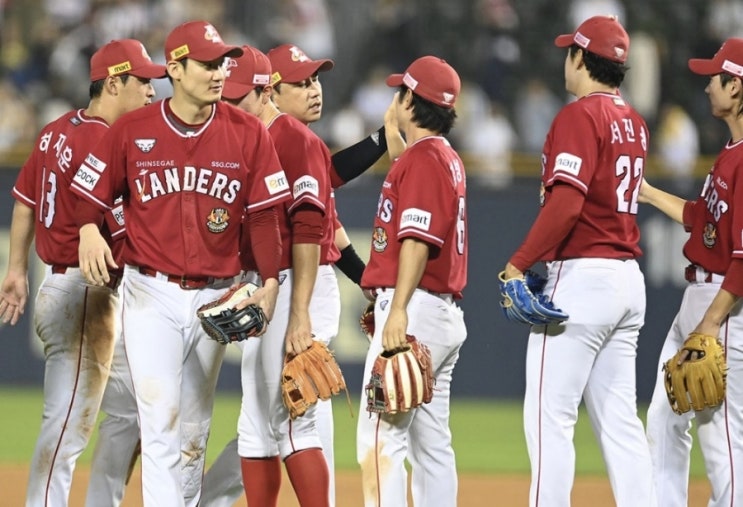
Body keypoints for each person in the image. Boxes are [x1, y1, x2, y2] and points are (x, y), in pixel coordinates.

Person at [70, 21, 290, 507]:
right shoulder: (132, 129)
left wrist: (271, 280)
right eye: (208, 64)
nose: (219, 72)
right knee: (161, 418)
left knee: (193, 426)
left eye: (222, 63)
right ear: (175, 68)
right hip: (152, 293)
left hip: (218, 294)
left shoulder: (248, 133)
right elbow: (88, 191)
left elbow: (265, 216)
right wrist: (88, 226)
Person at [0, 39, 165, 507]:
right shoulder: (103, 141)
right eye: (144, 81)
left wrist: (16, 269)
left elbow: (24, 203)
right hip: (83, 295)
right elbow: (120, 226)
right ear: (114, 82)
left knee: (133, 408)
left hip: (69, 286)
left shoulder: (56, 130)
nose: (152, 92)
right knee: (66, 429)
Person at [500, 15, 656, 506]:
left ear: (580, 58)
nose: (564, 58)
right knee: (620, 423)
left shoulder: (579, 116)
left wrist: (518, 263)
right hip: (628, 281)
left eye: (570, 50)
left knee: (549, 421)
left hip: (584, 278)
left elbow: (566, 203)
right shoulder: (633, 120)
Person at [356, 55, 468, 507]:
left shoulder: (424, 160)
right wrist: (395, 139)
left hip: (416, 309)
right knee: (431, 445)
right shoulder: (440, 157)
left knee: (379, 439)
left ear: (410, 100)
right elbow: (413, 179)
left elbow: (417, 242)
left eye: (400, 91)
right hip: (440, 312)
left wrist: (397, 308)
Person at [643, 37, 743, 507]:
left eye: (715, 78)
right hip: (698, 301)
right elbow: (700, 218)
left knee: (721, 439)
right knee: (664, 417)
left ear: (737, 87)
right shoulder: (730, 151)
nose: (707, 87)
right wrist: (646, 192)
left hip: (724, 308)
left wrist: (710, 323)